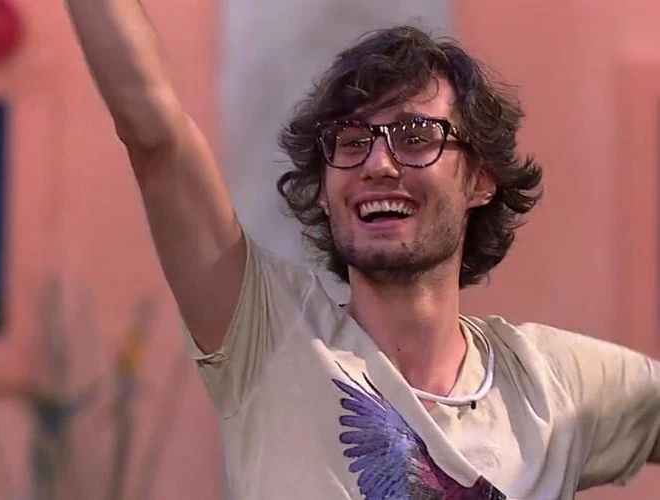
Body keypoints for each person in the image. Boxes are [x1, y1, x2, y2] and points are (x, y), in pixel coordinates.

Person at [65, 1, 660, 498]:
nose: (377, 163)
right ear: (324, 192)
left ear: (480, 180)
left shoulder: (554, 385)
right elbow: (155, 135)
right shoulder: (267, 339)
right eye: (349, 142)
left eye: (417, 136)